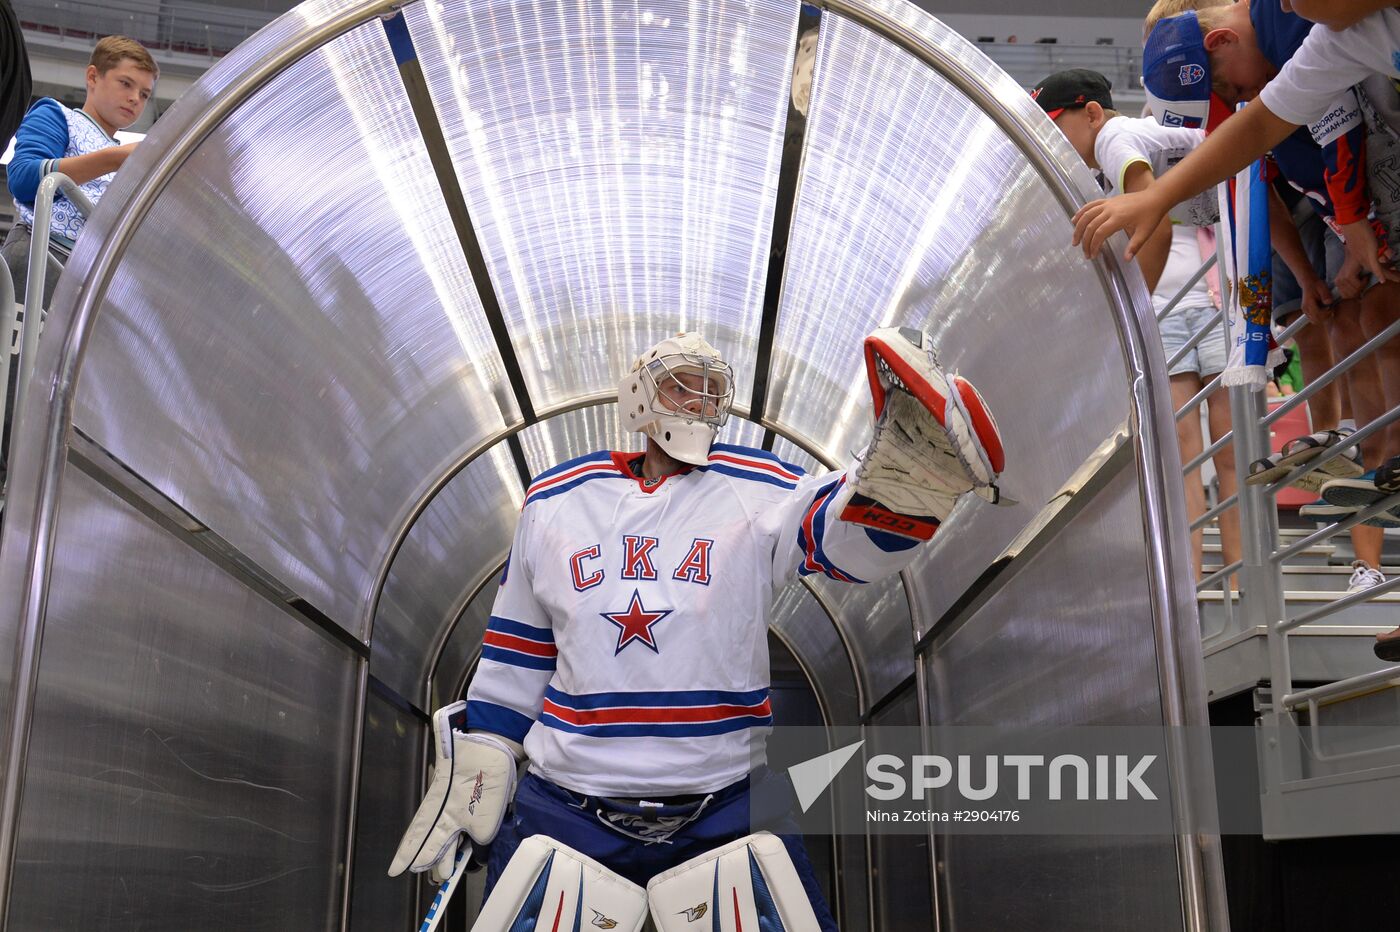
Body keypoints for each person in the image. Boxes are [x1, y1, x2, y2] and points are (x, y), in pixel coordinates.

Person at [387, 330, 1005, 927]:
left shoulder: (757, 484)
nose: (700, 403)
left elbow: (840, 536)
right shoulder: (555, 498)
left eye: (710, 390)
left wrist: (898, 492)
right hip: (568, 804)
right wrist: (484, 756)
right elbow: (517, 652)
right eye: (683, 386)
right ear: (639, 397)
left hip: (730, 804)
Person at [1033, 68, 1240, 582]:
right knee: (1212, 454)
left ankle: (1206, 584)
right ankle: (1234, 581)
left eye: (1055, 125)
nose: (1050, 141)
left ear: (1092, 114)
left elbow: (1160, 229)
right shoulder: (1110, 159)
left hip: (1201, 306)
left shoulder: (1115, 140)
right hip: (1212, 279)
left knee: (1203, 454)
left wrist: (1132, 321)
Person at [2, 34, 157, 306]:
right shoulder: (57, 115)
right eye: (125, 84)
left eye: (144, 94)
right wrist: (115, 158)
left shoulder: (129, 157)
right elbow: (24, 179)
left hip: (93, 279)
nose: (135, 98)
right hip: (41, 255)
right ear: (93, 77)